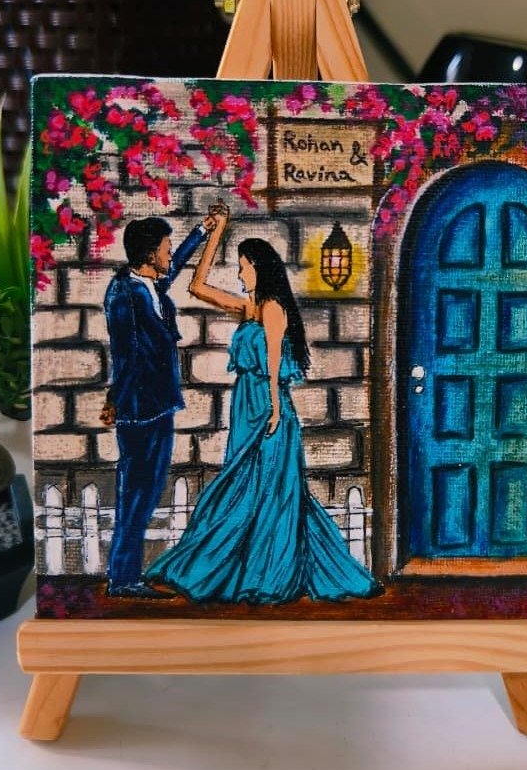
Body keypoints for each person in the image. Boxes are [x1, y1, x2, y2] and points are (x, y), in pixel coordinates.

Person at [144, 210, 380, 604]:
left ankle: (266, 573)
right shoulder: (246, 308)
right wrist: (217, 231)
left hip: (268, 409)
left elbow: (273, 360)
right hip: (245, 404)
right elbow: (197, 286)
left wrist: (273, 409)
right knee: (241, 486)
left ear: (259, 267)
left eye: (244, 267)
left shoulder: (272, 307)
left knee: (270, 491)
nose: (240, 274)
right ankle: (223, 568)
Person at [101, 212, 219, 598]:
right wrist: (116, 400)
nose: (169, 255)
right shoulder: (126, 296)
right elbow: (125, 355)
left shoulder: (148, 284)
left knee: (148, 490)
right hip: (140, 410)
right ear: (150, 254)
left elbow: (178, 264)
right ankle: (123, 578)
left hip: (159, 404)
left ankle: (126, 575)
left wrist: (201, 231)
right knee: (136, 492)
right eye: (165, 249)